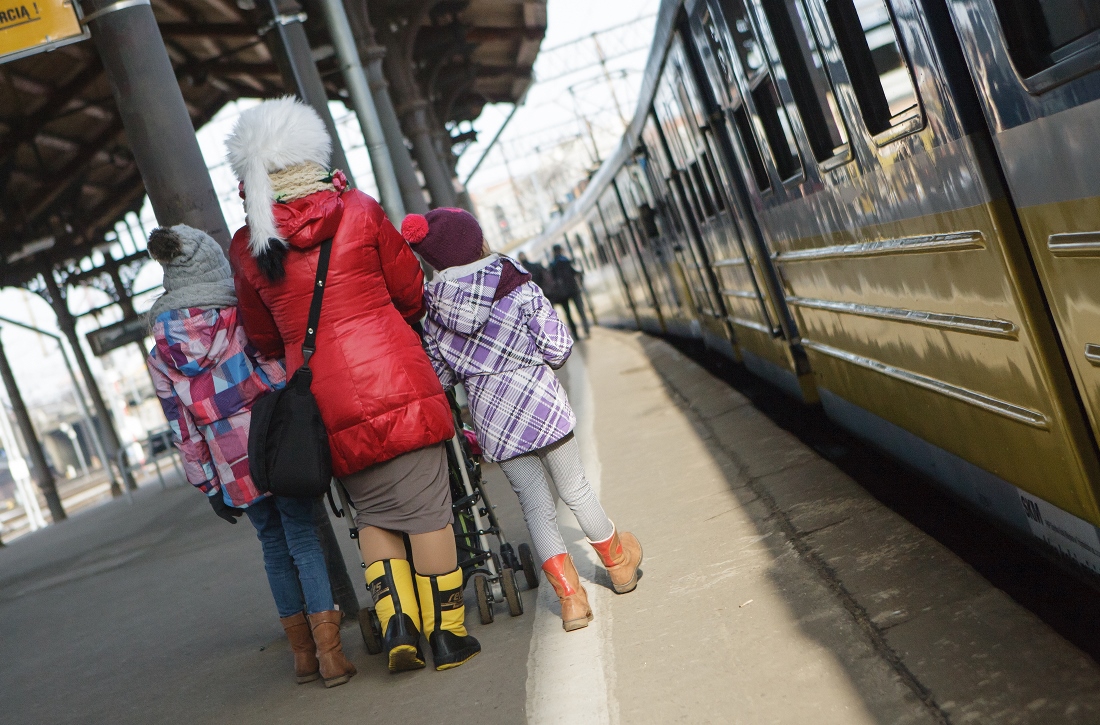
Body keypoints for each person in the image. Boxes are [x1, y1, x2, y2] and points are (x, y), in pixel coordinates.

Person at [225, 97, 480, 673]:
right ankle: (448, 634)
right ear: (313, 153)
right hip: (398, 384)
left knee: (375, 518)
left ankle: (400, 631)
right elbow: (410, 290)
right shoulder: (359, 210)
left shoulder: (249, 245)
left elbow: (263, 336)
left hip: (323, 404)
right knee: (430, 515)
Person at [403, 208, 643, 632]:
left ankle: (571, 600)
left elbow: (440, 376)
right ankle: (619, 565)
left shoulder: (434, 311)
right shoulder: (516, 285)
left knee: (535, 507)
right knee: (575, 489)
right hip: (542, 404)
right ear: (476, 242)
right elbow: (558, 349)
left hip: (495, 419)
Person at [145, 224, 357, 689]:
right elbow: (277, 368)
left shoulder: (160, 342)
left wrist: (206, 483)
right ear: (213, 263)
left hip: (229, 459)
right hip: (274, 440)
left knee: (274, 547)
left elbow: (180, 422)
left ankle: (302, 656)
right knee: (303, 536)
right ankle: (330, 655)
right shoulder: (237, 313)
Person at [546, 244, 589, 339]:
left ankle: (576, 335)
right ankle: (587, 330)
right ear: (561, 250)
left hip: (562, 294)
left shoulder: (552, 265)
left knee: (568, 315)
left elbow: (551, 280)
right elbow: (575, 272)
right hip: (574, 290)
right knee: (581, 311)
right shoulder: (567, 261)